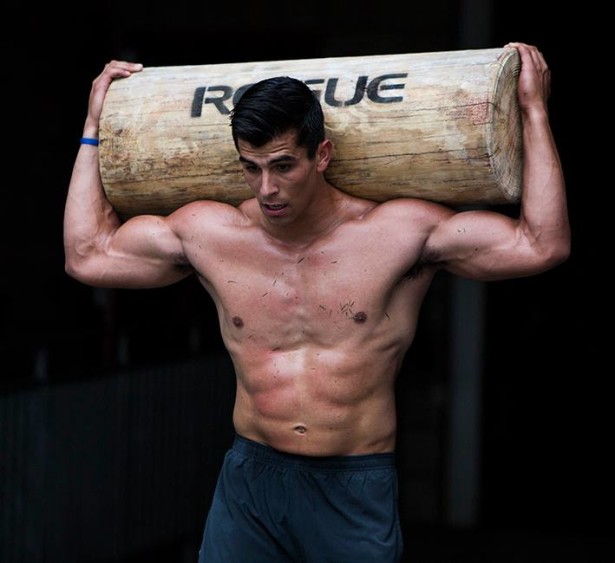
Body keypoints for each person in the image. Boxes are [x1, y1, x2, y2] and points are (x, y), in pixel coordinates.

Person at [63, 42, 570, 562]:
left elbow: (541, 243)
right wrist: (92, 123)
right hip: (250, 483)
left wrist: (532, 111)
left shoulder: (398, 232)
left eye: (283, 166)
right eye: (252, 168)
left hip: (352, 486)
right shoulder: (209, 232)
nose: (267, 189)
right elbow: (87, 255)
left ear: (321, 155)